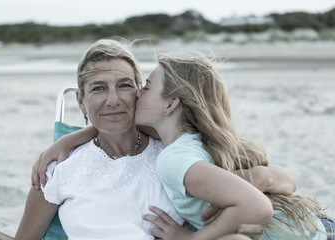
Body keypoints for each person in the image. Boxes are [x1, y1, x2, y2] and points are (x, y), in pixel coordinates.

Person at [16, 39, 276, 240]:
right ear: (81, 102)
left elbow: (271, 182)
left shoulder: (173, 149)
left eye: (125, 85)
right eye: (98, 88)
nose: (113, 99)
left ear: (141, 93)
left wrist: (263, 177)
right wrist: (71, 140)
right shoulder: (57, 169)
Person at [135, 50, 334, 240]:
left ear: (170, 104)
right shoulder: (199, 138)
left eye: (146, 87)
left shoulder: (174, 159)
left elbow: (258, 206)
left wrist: (193, 238)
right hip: (312, 227)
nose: (137, 93)